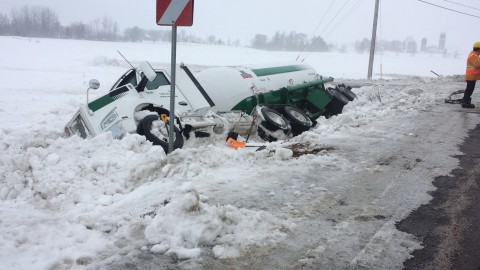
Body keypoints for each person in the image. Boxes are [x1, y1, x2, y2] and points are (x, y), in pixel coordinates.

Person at [462, 42, 480, 108]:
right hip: (471, 76)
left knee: (469, 89)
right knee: (469, 89)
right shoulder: (473, 56)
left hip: (472, 76)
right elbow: (478, 64)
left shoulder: (475, 55)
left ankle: (466, 100)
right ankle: (465, 102)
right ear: (478, 49)